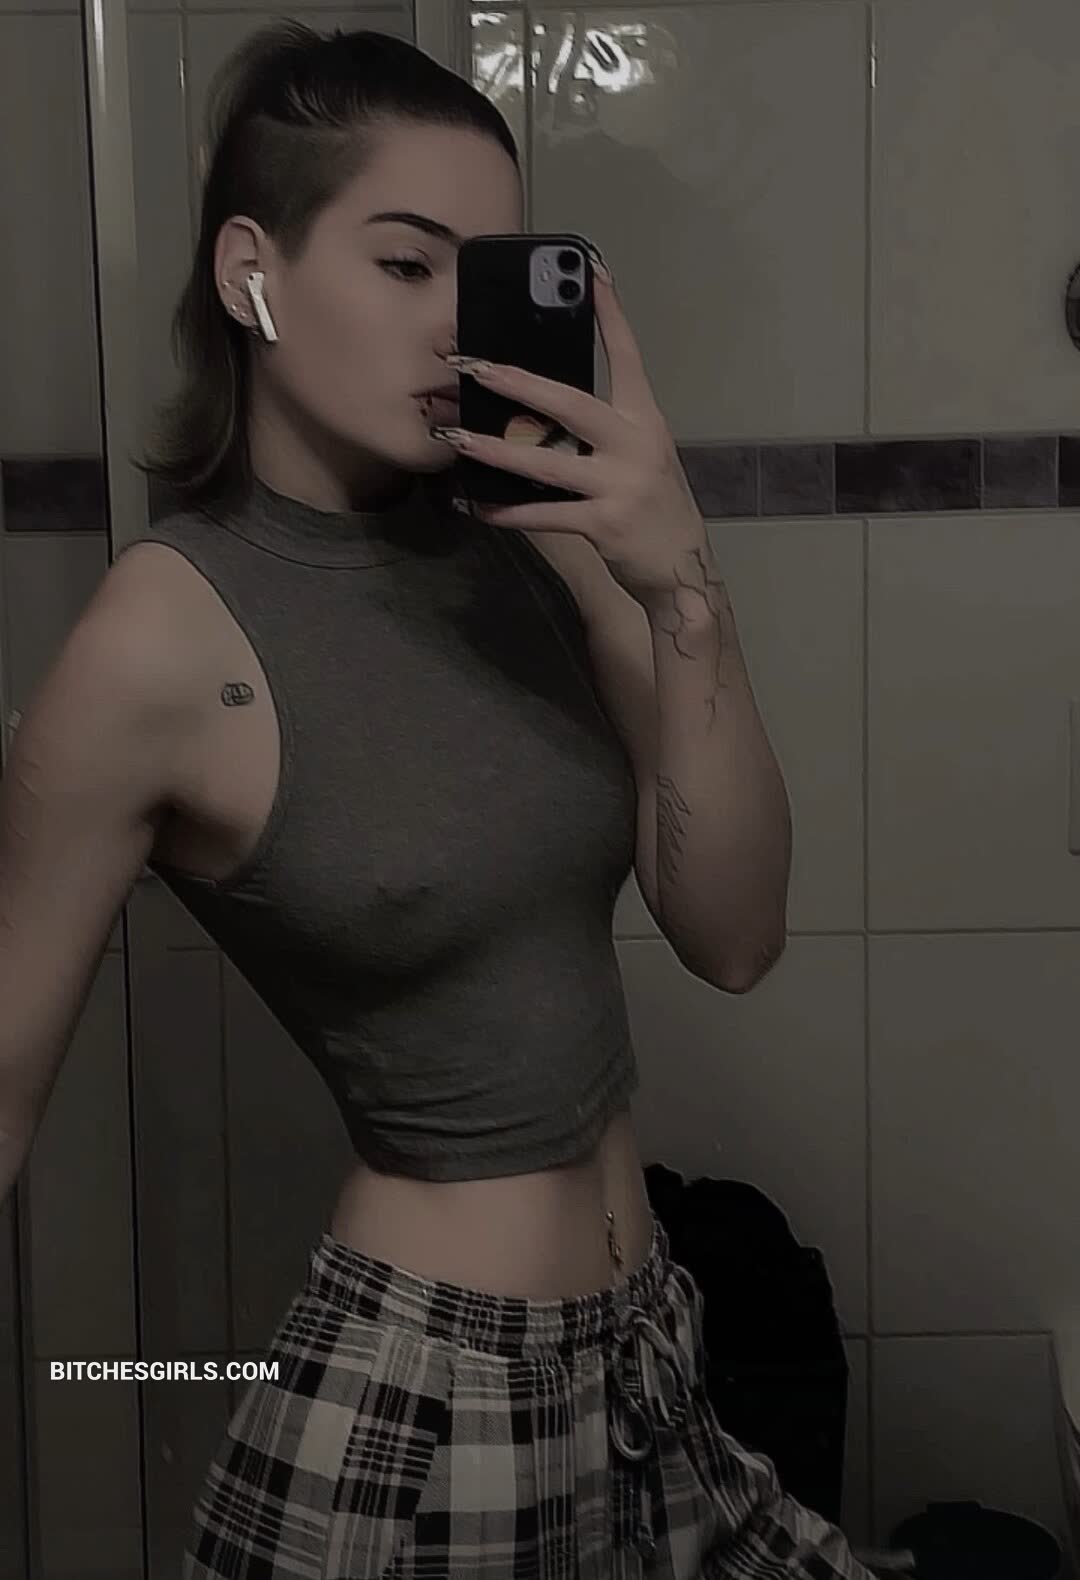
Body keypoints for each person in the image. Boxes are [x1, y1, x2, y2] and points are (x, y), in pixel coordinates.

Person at [0, 20, 878, 1579]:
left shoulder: (526, 546)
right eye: (405, 263)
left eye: (480, 274)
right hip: (429, 1411)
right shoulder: (162, 636)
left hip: (649, 1359)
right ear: (253, 274)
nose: (450, 322)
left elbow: (736, 933)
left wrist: (681, 581)